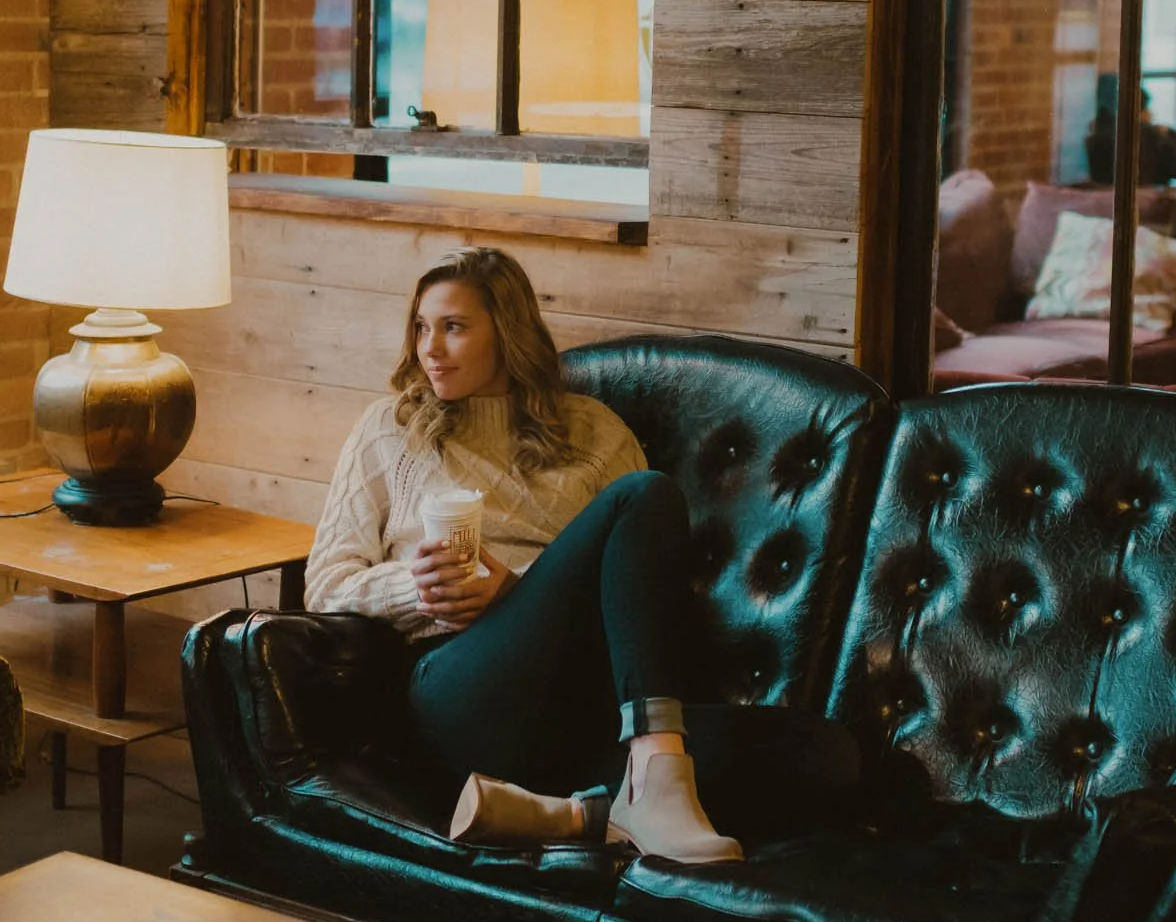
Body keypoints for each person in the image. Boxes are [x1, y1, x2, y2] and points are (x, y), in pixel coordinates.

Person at [305, 245, 855, 864]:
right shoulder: (390, 428)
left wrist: (516, 586)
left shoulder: (594, 432)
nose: (429, 348)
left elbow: (645, 591)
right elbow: (325, 583)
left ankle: (580, 812)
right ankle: (650, 785)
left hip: (583, 714)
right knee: (644, 495)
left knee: (823, 753)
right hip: (462, 689)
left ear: (507, 333)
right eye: (421, 327)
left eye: (453, 327)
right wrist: (416, 586)